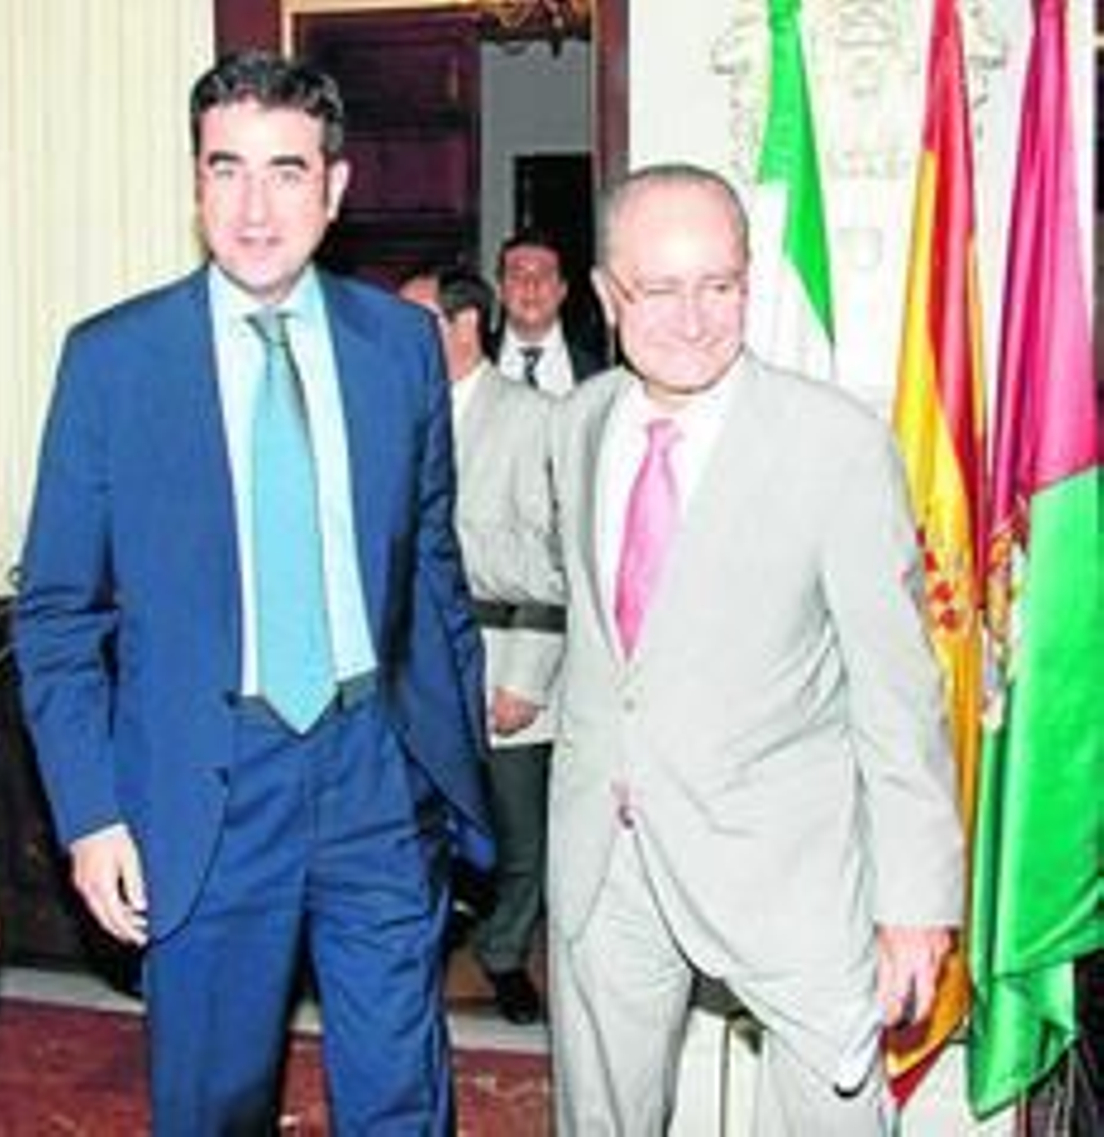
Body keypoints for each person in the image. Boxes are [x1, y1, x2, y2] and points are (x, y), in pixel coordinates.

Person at [14, 50, 490, 1134]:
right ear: (194, 184)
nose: (254, 206)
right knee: (212, 1102)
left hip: (378, 775)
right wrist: (91, 815)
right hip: (209, 782)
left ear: (334, 188)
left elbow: (431, 568)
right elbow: (54, 617)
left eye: (285, 172)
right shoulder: (113, 361)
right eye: (225, 170)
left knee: (402, 1095)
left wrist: (449, 768)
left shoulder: (400, 348)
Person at [458, 163, 963, 1133]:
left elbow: (897, 695)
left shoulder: (835, 445)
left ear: (746, 283)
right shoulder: (582, 423)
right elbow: (549, 573)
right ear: (606, 295)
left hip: (789, 872)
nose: (692, 319)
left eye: (718, 285)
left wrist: (914, 903)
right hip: (606, 862)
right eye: (659, 289)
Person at [399, 265, 560, 1026]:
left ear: (464, 327)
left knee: (519, 833)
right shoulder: (396, 409)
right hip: (414, 675)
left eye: (415, 321)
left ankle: (503, 952)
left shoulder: (531, 418)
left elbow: (550, 554)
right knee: (422, 826)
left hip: (504, 667)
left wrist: (528, 674)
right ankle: (422, 951)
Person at [495, 229, 601, 397]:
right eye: (518, 275)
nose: (531, 286)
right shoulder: (471, 364)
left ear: (562, 290)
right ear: (499, 290)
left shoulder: (601, 373)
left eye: (544, 274)